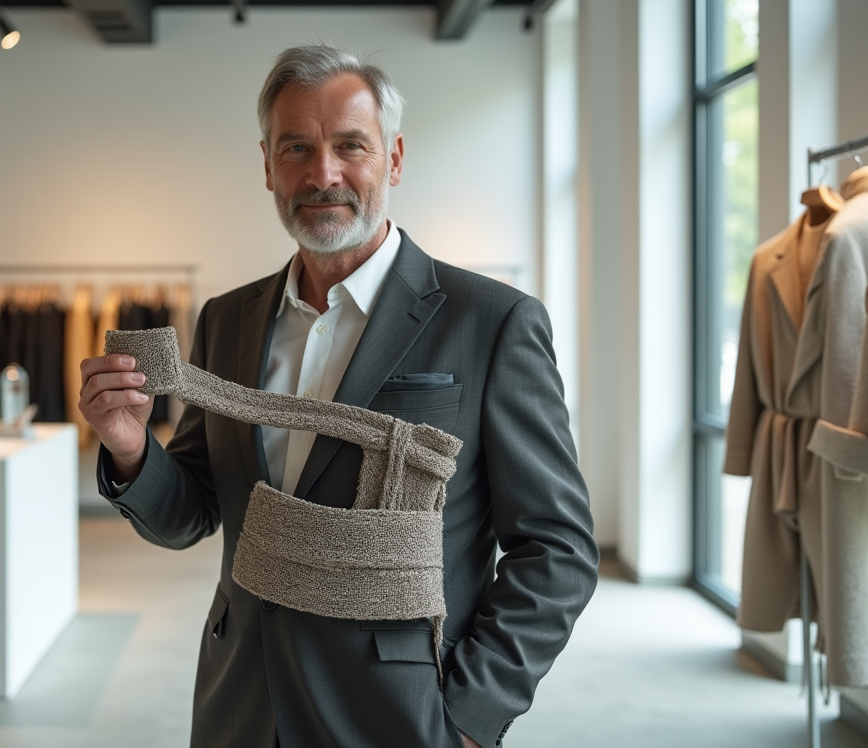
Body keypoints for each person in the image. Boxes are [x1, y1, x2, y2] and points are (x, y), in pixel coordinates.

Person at [79, 44, 598, 748]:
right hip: (242, 704)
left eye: (350, 145)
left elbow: (557, 548)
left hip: (399, 715)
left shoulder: (491, 322)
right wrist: (132, 449)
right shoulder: (227, 320)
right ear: (267, 165)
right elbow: (192, 514)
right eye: (296, 147)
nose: (322, 174)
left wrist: (470, 719)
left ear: (394, 158)